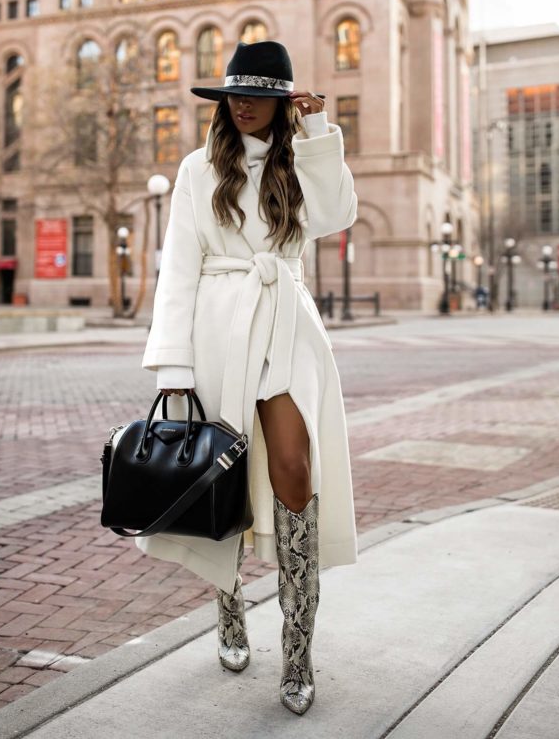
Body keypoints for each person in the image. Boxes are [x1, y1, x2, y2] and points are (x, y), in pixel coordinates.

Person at [140, 40, 358, 715]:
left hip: (286, 323)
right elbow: (177, 267)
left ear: (283, 103)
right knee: (220, 476)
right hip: (216, 330)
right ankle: (229, 605)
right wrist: (173, 365)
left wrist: (319, 134)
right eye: (236, 91)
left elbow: (336, 213)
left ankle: (298, 646)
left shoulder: (299, 163)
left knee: (295, 467)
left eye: (259, 93)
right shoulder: (197, 169)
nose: (243, 102)